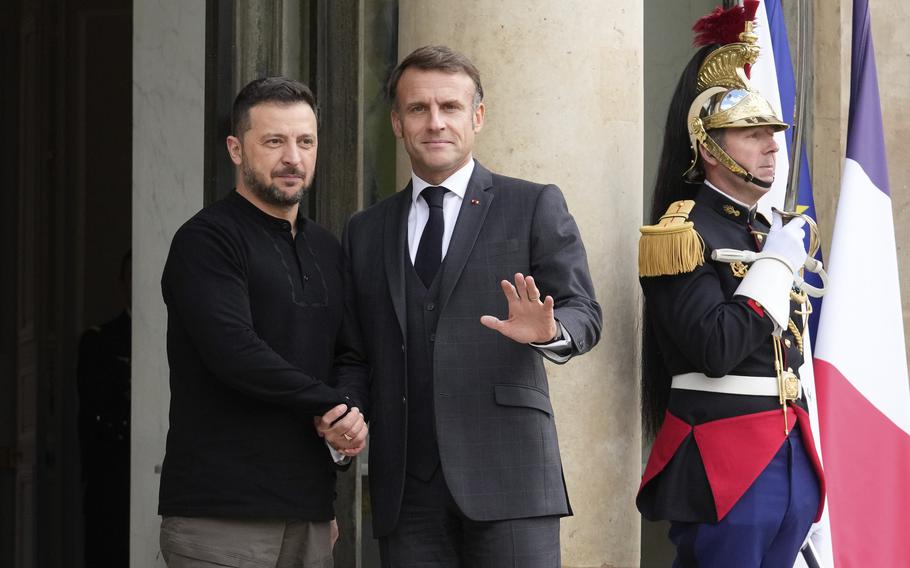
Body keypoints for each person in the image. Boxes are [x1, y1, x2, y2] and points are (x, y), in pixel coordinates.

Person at [317, 45, 602, 567]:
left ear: (477, 117)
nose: (435, 122)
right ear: (398, 124)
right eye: (418, 109)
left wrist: (548, 331)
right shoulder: (365, 229)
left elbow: (585, 312)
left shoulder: (533, 203)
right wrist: (347, 414)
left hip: (510, 478)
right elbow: (356, 351)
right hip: (406, 488)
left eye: (450, 107)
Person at [636, 5, 825, 567]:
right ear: (707, 144)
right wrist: (774, 267)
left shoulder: (766, 228)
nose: (771, 146)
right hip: (724, 456)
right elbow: (715, 348)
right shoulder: (682, 229)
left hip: (790, 448)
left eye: (772, 132)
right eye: (751, 133)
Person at [157, 77, 368, 568]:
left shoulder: (328, 249)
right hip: (221, 517)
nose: (292, 157)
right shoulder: (206, 241)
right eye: (274, 141)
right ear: (236, 148)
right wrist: (331, 403)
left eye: (305, 141)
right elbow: (236, 353)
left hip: (311, 516)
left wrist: (350, 414)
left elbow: (351, 354)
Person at [77, 250, 132, 568]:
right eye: (130, 275)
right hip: (112, 472)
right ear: (122, 282)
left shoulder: (177, 336)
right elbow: (93, 411)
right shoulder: (99, 341)